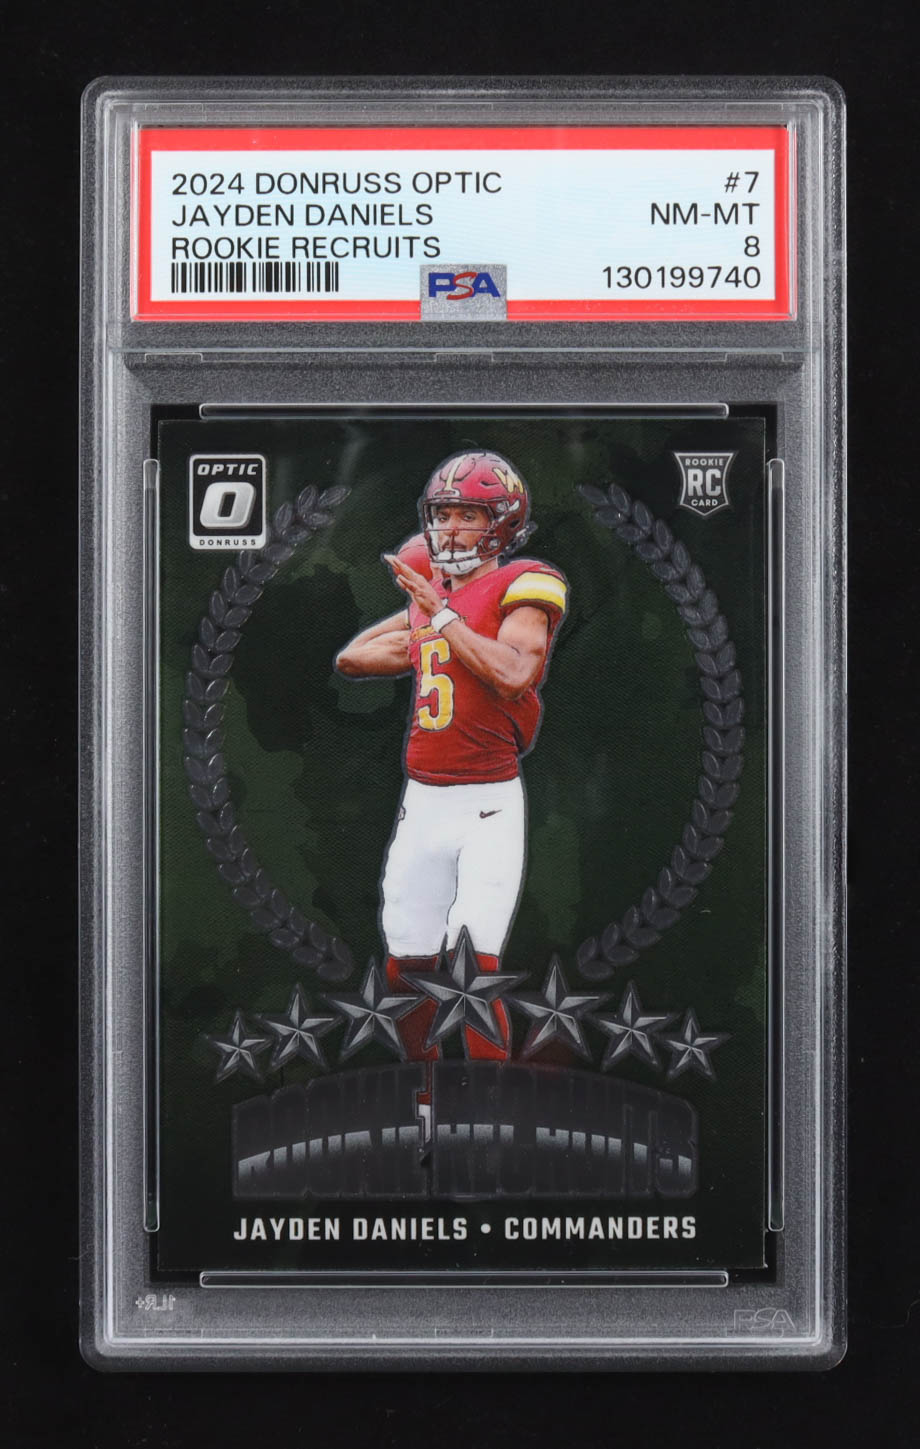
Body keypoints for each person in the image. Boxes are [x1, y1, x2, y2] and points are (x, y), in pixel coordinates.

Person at [335, 450, 568, 1061]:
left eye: (468, 515)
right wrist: (424, 615)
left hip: (487, 803)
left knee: (472, 972)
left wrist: (441, 614)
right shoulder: (432, 604)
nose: (450, 528)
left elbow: (514, 674)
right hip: (422, 802)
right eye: (443, 515)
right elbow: (352, 658)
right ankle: (426, 1102)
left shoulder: (525, 582)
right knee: (406, 971)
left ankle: (491, 1110)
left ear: (504, 523)